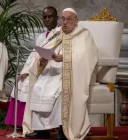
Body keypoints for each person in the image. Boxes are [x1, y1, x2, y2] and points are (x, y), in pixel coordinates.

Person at [27, 8, 98, 139]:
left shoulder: (83, 35)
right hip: (53, 71)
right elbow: (46, 49)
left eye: (69, 19)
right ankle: (42, 129)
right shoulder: (57, 33)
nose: (64, 22)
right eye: (63, 19)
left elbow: (87, 57)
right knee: (38, 87)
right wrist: (42, 59)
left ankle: (64, 130)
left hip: (73, 73)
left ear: (76, 21)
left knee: (61, 91)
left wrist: (64, 58)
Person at [5, 6, 58, 132]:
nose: (47, 20)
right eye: (44, 17)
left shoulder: (60, 34)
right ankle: (18, 122)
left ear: (56, 18)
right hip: (38, 69)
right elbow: (32, 56)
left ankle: (37, 124)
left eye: (50, 16)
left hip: (51, 70)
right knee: (22, 82)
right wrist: (25, 72)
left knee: (32, 85)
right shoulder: (41, 37)